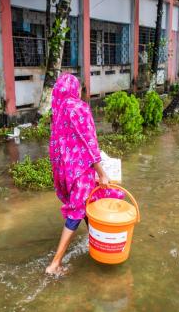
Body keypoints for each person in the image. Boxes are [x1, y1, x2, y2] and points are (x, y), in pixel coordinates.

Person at [46, 73, 124, 276]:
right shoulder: (79, 108)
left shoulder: (59, 111)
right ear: (75, 89)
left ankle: (99, 245)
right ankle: (55, 264)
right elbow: (89, 143)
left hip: (67, 172)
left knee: (90, 205)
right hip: (82, 172)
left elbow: (58, 147)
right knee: (76, 212)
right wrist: (102, 173)